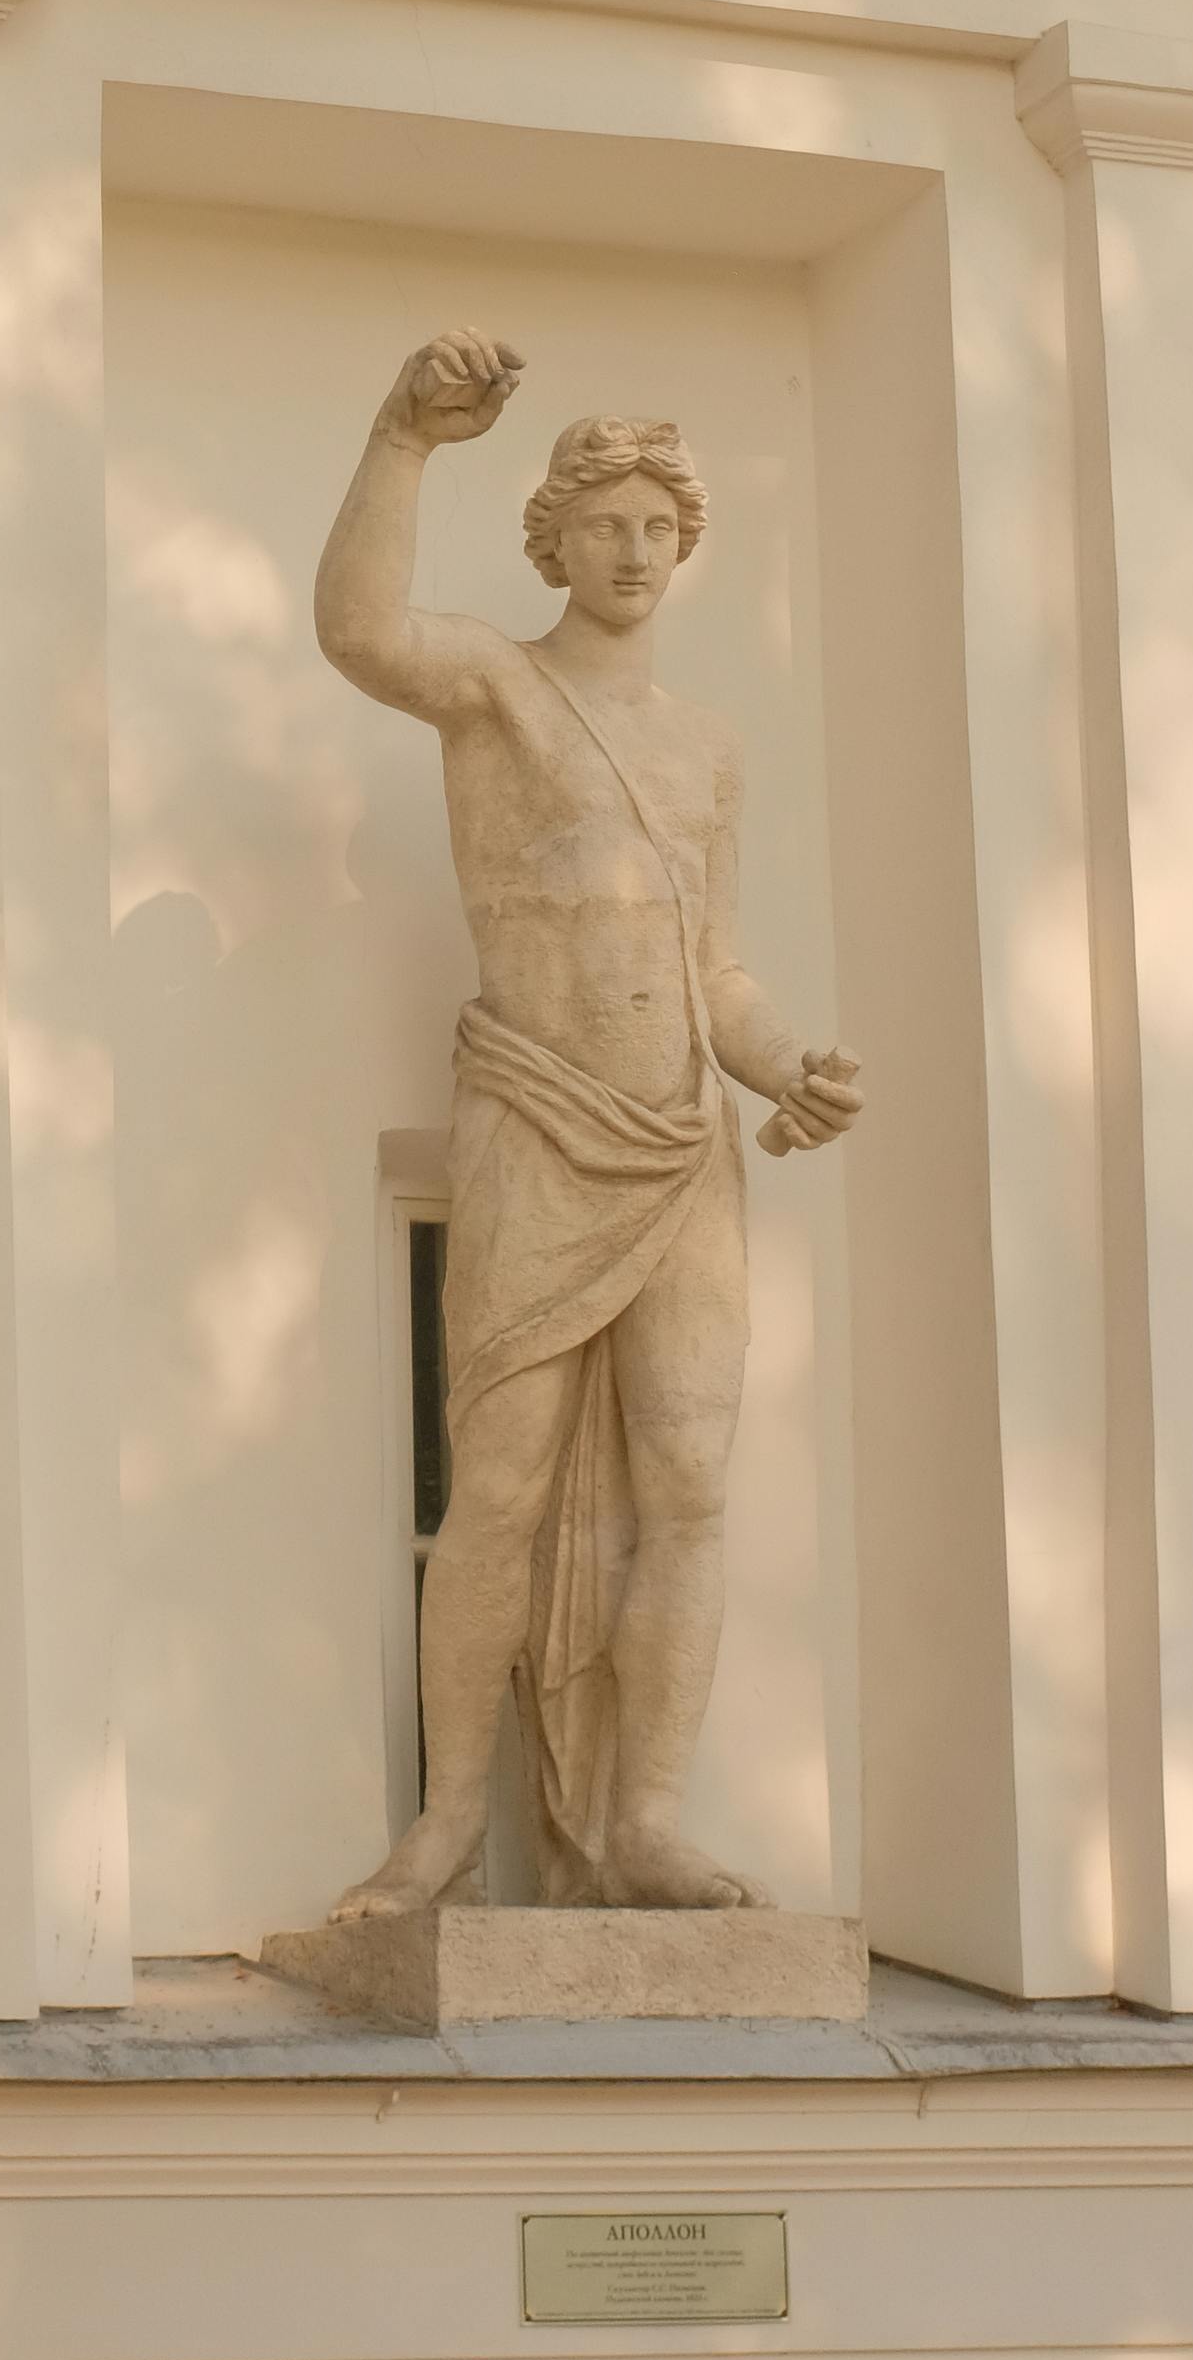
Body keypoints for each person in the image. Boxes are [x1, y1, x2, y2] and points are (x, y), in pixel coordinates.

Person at [311, 327, 860, 1916]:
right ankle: (444, 1828)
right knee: (498, 1483)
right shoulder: (497, 683)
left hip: (683, 1141)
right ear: (554, 537)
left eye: (658, 528)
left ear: (686, 546)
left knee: (691, 1480)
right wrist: (405, 435)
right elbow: (356, 629)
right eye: (605, 524)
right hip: (539, 1122)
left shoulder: (707, 747)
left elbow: (718, 966)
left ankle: (650, 1819)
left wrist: (789, 1066)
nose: (632, 552)